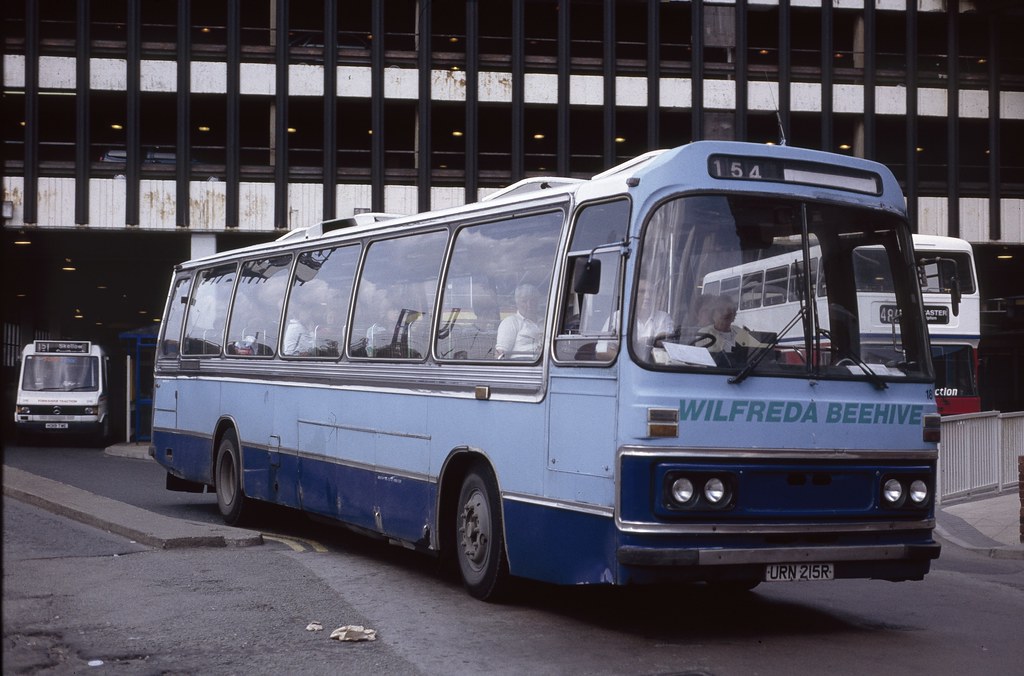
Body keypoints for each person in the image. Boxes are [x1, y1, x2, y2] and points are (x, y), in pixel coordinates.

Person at [698, 296, 765, 353]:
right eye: (721, 310)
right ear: (712, 314)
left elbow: (757, 351)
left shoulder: (738, 330)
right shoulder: (705, 333)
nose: (726, 313)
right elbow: (711, 355)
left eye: (730, 310)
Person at [495, 284, 543, 359]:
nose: (529, 304)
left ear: (537, 302)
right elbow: (500, 354)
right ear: (517, 303)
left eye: (532, 300)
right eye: (524, 301)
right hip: (522, 365)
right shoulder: (510, 322)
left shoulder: (546, 322)